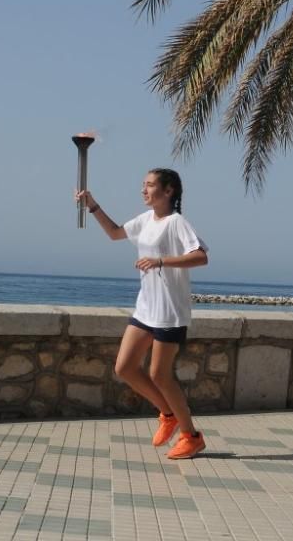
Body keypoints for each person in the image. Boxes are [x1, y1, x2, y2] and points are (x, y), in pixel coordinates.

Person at [76, 168, 209, 460]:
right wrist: (93, 206)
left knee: (160, 376)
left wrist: (161, 261)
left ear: (168, 190)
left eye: (149, 185)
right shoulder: (145, 220)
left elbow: (200, 256)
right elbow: (114, 233)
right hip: (146, 308)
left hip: (170, 312)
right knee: (124, 368)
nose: (143, 190)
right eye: (144, 185)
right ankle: (167, 414)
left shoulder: (177, 223)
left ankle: (191, 436)